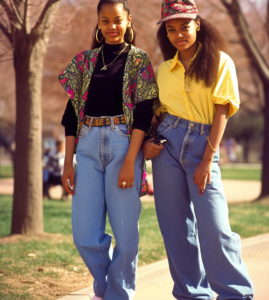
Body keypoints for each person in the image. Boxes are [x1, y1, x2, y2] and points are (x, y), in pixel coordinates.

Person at [142, 1, 254, 299]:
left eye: (184, 27)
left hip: (203, 145)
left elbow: (222, 112)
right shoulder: (164, 70)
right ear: (165, 33)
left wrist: (207, 159)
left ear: (197, 25)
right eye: (171, 29)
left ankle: (235, 293)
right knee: (175, 228)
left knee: (215, 227)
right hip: (167, 149)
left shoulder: (220, 62)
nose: (179, 34)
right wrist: (146, 143)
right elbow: (156, 114)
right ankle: (191, 293)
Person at [59, 0, 159, 299]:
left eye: (117, 20)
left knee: (126, 236)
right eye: (105, 21)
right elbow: (71, 115)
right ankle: (106, 288)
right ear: (98, 25)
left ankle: (117, 294)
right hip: (87, 145)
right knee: (84, 235)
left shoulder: (139, 60)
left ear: (128, 21)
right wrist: (68, 163)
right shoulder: (84, 62)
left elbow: (143, 112)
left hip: (123, 144)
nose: (112, 26)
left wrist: (131, 160)